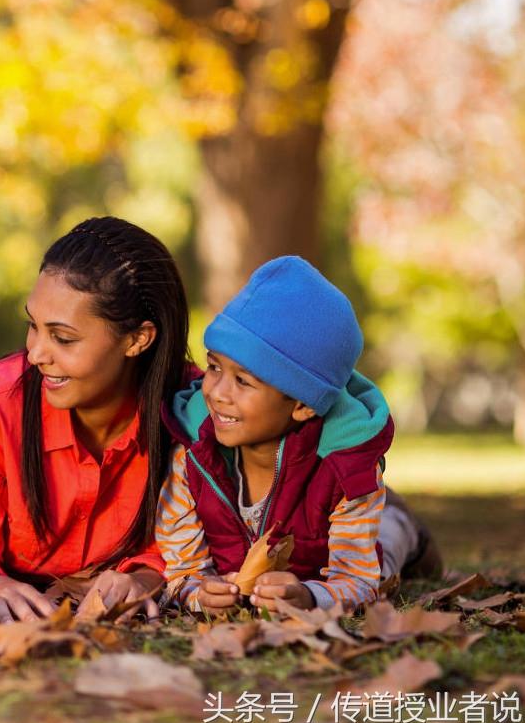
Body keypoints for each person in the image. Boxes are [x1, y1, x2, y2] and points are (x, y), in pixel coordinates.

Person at [0, 217, 190, 622]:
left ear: (138, 339)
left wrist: (141, 580)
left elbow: (195, 545)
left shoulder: (194, 411)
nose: (35, 353)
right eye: (33, 326)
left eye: (63, 338)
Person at [157, 256, 441, 616]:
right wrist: (200, 592)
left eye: (243, 380)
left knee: (386, 553)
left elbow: (358, 579)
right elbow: (183, 571)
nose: (216, 393)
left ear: (303, 405)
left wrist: (310, 596)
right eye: (214, 367)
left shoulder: (345, 470)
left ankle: (405, 525)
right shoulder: (192, 451)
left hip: (344, 543)